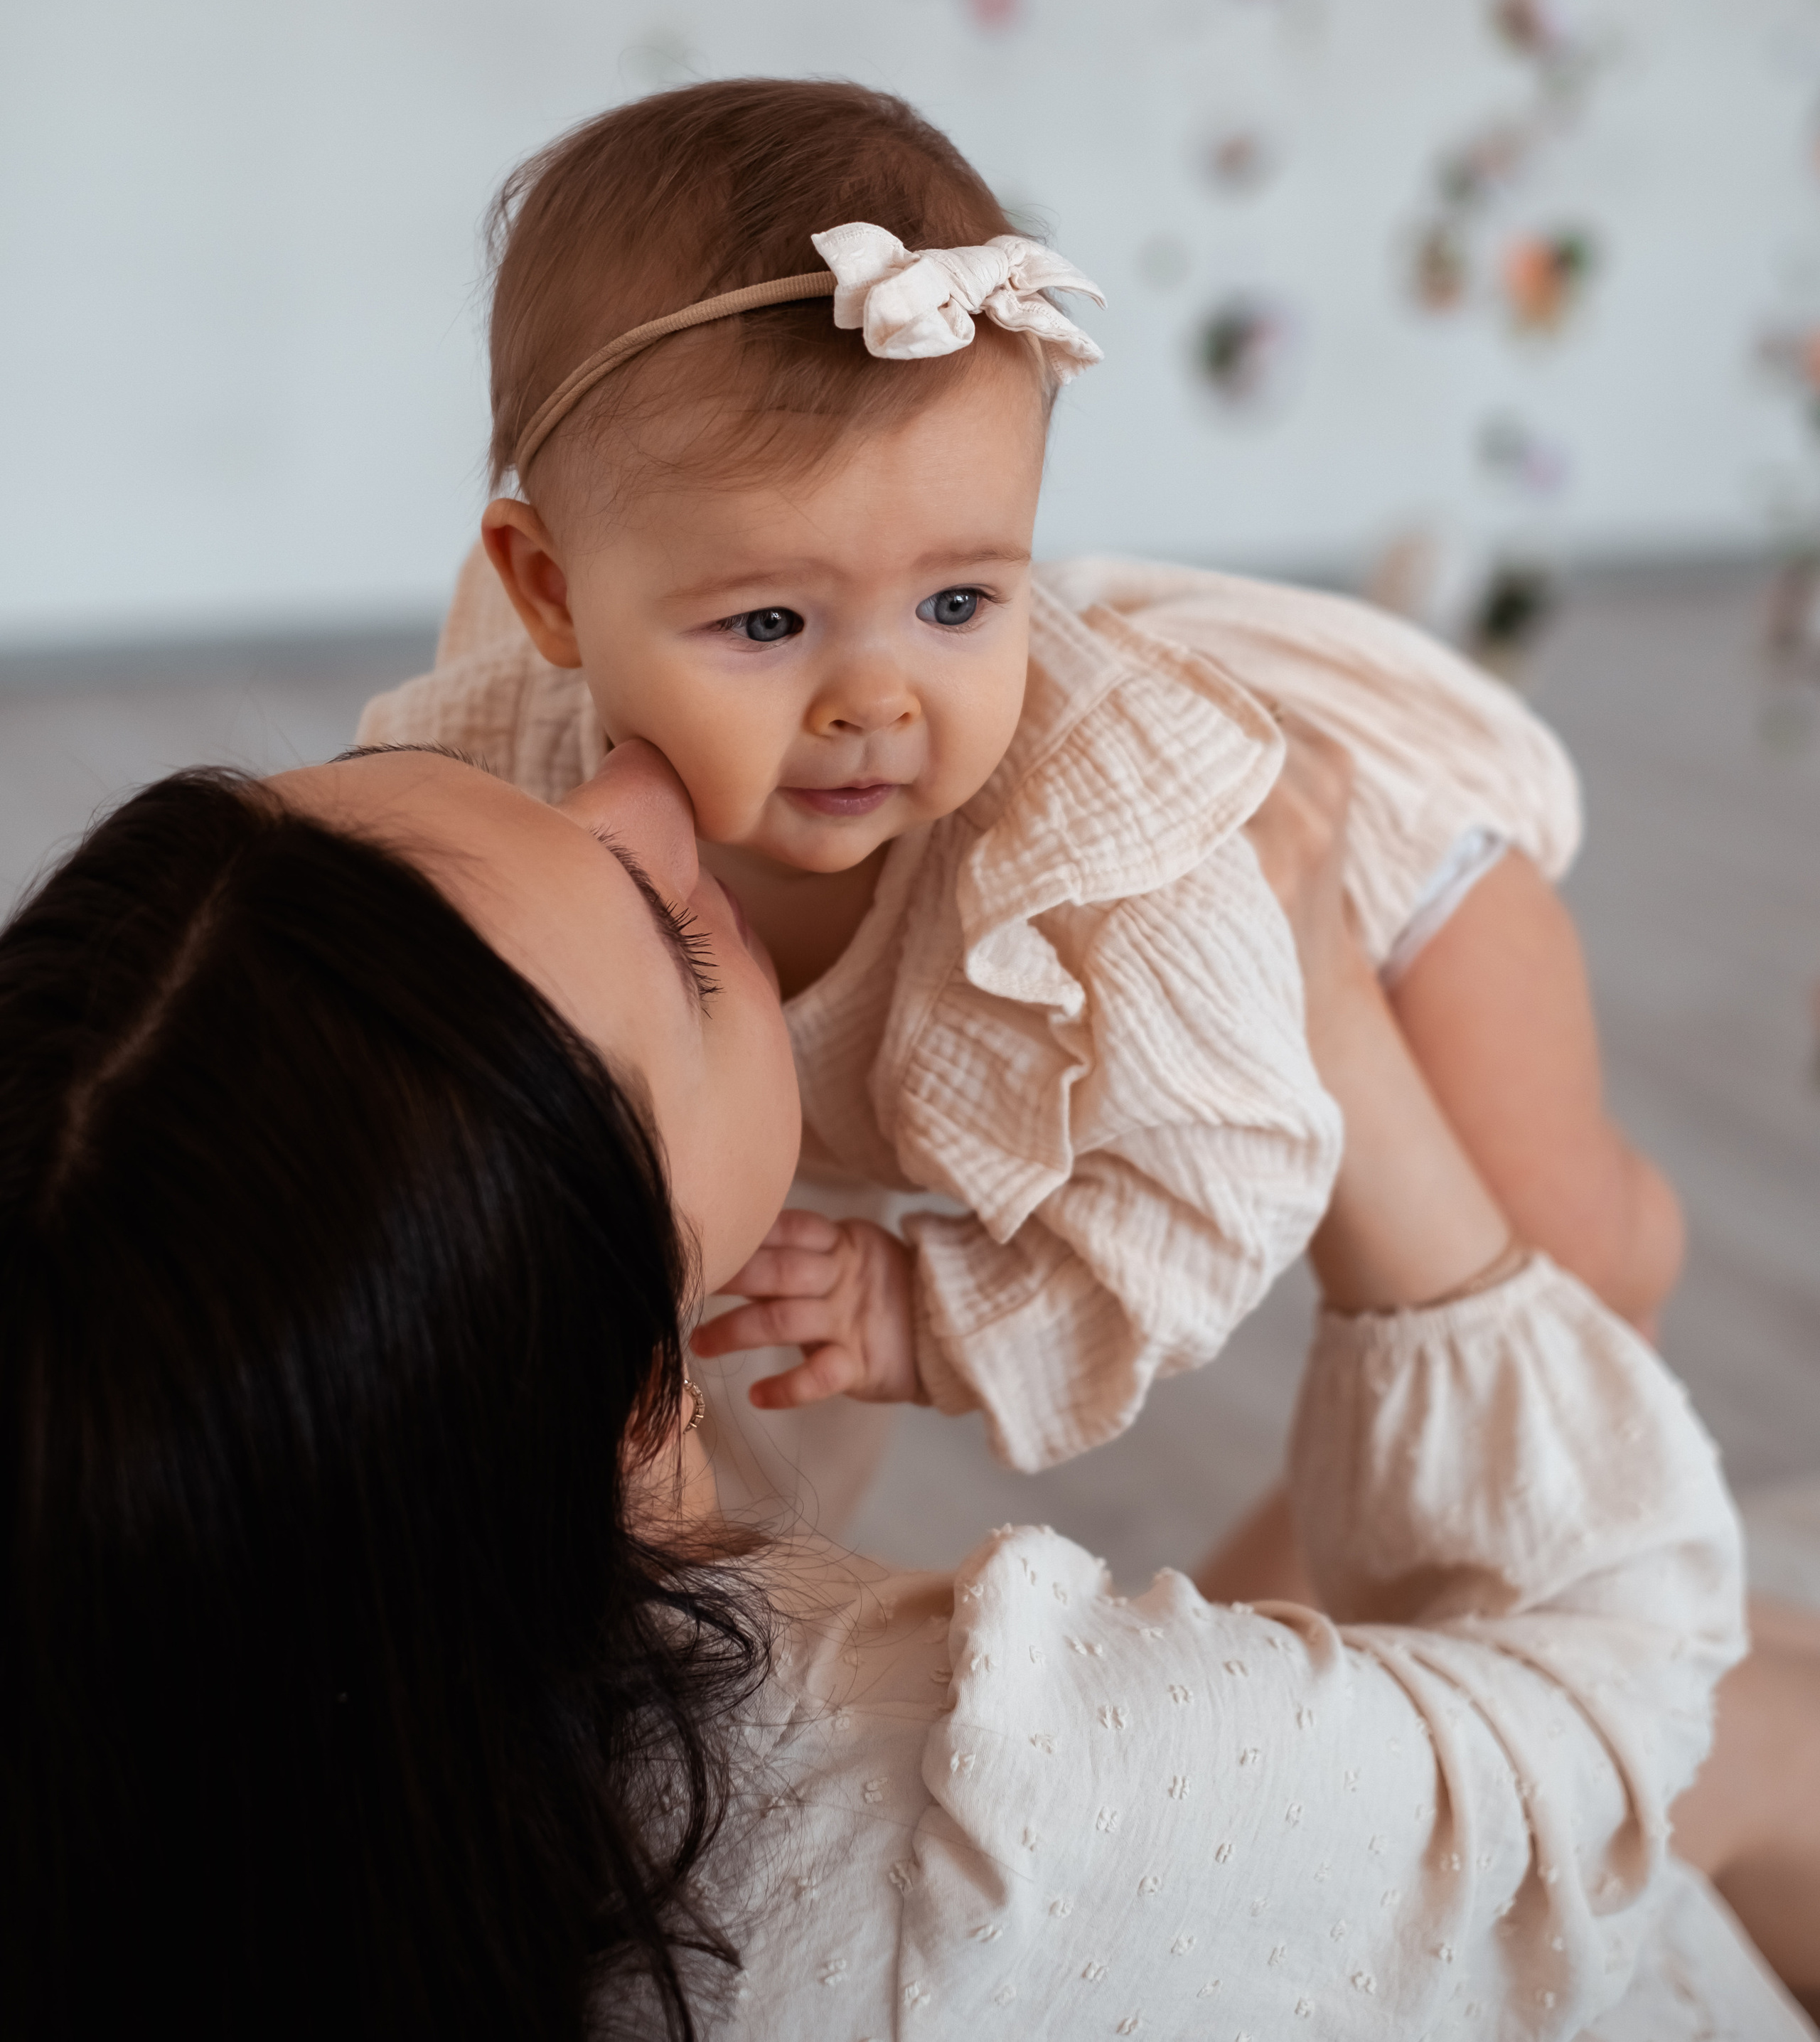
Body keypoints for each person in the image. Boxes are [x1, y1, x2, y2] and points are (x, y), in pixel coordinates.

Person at [1, 732, 1807, 2036]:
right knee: (1755, 1703)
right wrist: (1331, 1029)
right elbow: (1629, 1699)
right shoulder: (972, 1811)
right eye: (667, 932)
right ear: (637, 1395)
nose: (644, 776)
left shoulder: (235, 1711)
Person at [358, 77, 1683, 1512]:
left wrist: (928, 1313)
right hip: (894, 1073)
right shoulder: (493, 776)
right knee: (753, 1400)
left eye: (958, 600)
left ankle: (1631, 1263)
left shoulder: (1101, 858)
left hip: (1357, 861)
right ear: (550, 592)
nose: (877, 700)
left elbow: (1223, 1189)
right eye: (766, 626)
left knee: (1562, 1267)